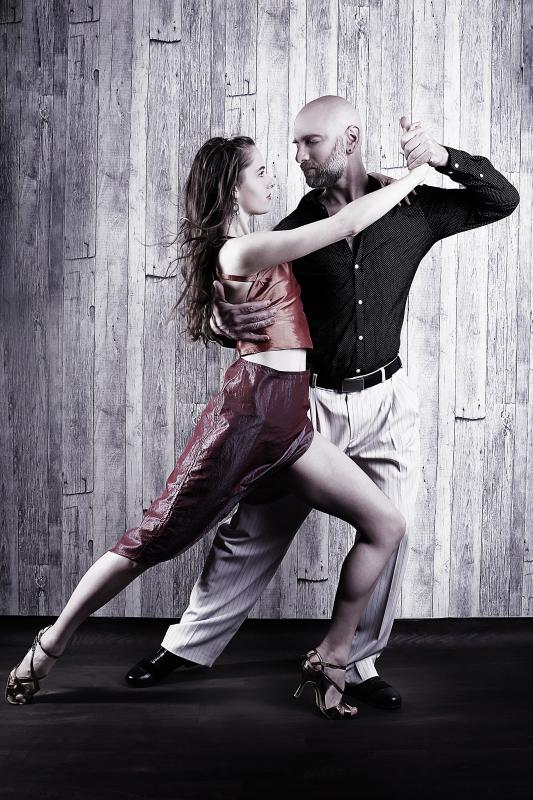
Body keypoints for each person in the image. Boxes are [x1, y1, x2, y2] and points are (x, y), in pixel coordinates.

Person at [5, 134, 430, 718]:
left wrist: (218, 317)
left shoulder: (247, 246)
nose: (274, 178)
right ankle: (49, 645)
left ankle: (334, 656)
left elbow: (262, 296)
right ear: (234, 186)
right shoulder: (239, 250)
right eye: (262, 171)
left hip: (289, 420)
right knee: (152, 539)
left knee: (386, 524)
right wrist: (414, 177)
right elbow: (342, 225)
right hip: (250, 416)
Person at [128, 95, 520, 710]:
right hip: (310, 405)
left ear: (350, 140)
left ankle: (356, 662)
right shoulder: (293, 231)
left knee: (390, 532)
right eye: (294, 145)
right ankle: (187, 646)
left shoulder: (412, 210)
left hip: (388, 403)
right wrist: (220, 319)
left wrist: (442, 156)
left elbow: (502, 198)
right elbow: (243, 307)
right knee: (255, 527)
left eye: (310, 142)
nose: (298, 156)